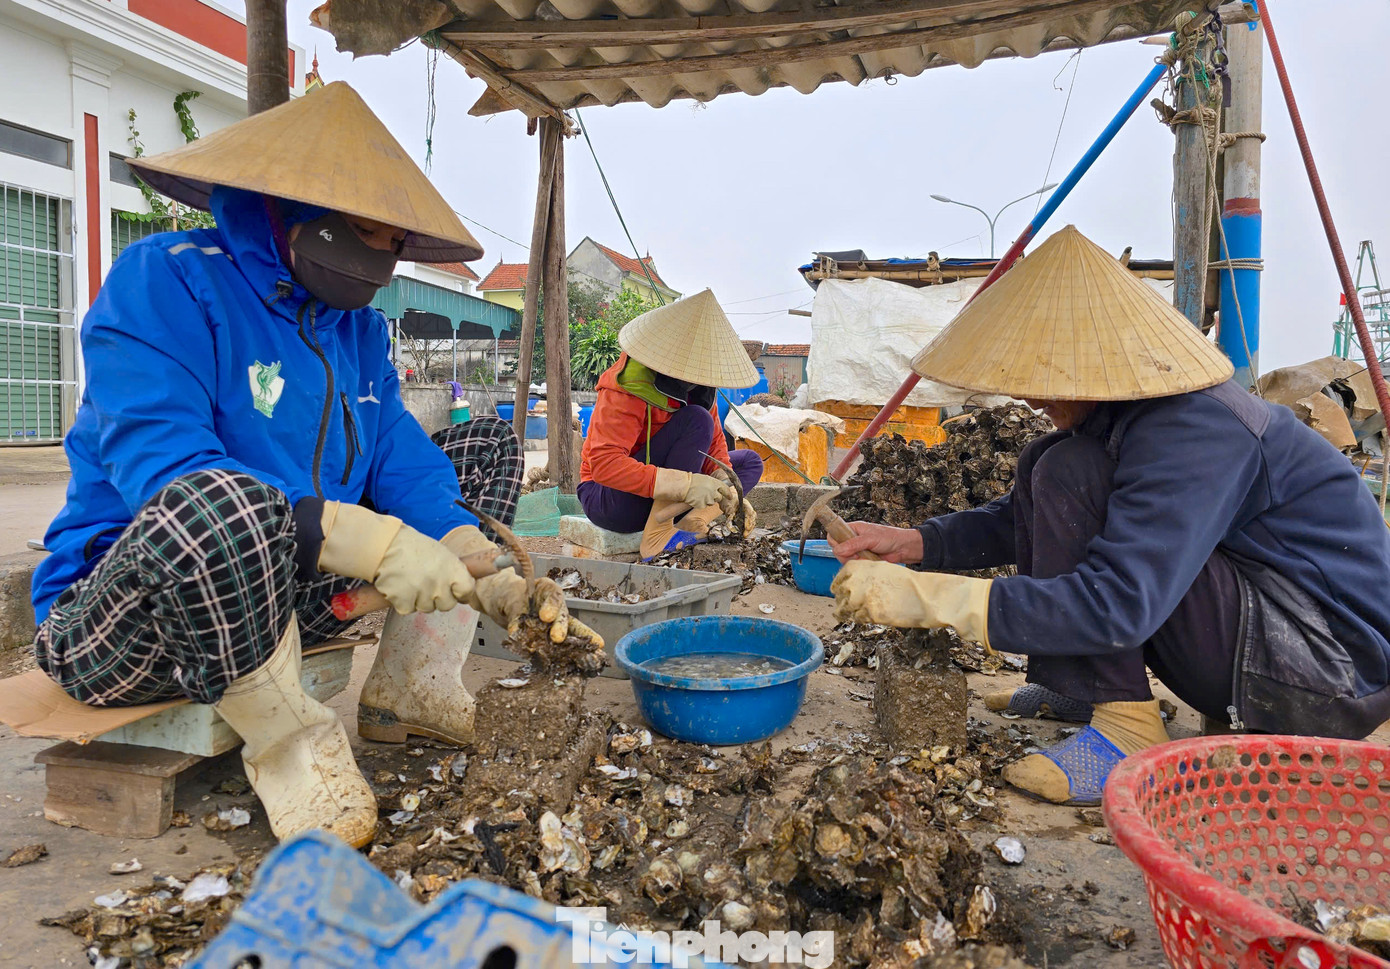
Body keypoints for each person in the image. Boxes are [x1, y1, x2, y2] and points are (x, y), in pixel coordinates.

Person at [29, 83, 593, 848]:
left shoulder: (357, 329)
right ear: (287, 210)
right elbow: (166, 468)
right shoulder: (165, 281)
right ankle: (290, 749)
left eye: (394, 240)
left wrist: (474, 559)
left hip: (290, 594)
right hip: (146, 605)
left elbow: (398, 452)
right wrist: (371, 545)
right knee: (214, 508)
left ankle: (413, 685)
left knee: (486, 445)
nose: (383, 255)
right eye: (365, 231)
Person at [830, 225, 1390, 807]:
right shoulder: (1126, 422)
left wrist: (929, 599)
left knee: (1066, 471)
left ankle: (1126, 728)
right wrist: (913, 545)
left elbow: (1119, 601)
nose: (1026, 395)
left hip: (1322, 673)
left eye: (1041, 373)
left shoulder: (1195, 429)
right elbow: (1018, 520)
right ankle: (1086, 687)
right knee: (1048, 461)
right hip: (1273, 636)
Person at [579, 290, 764, 559]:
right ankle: (658, 534)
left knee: (748, 463)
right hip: (611, 500)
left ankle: (693, 521)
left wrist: (727, 490)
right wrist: (685, 486)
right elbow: (605, 466)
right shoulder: (627, 387)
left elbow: (716, 453)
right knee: (696, 420)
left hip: (662, 497)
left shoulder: (699, 389)